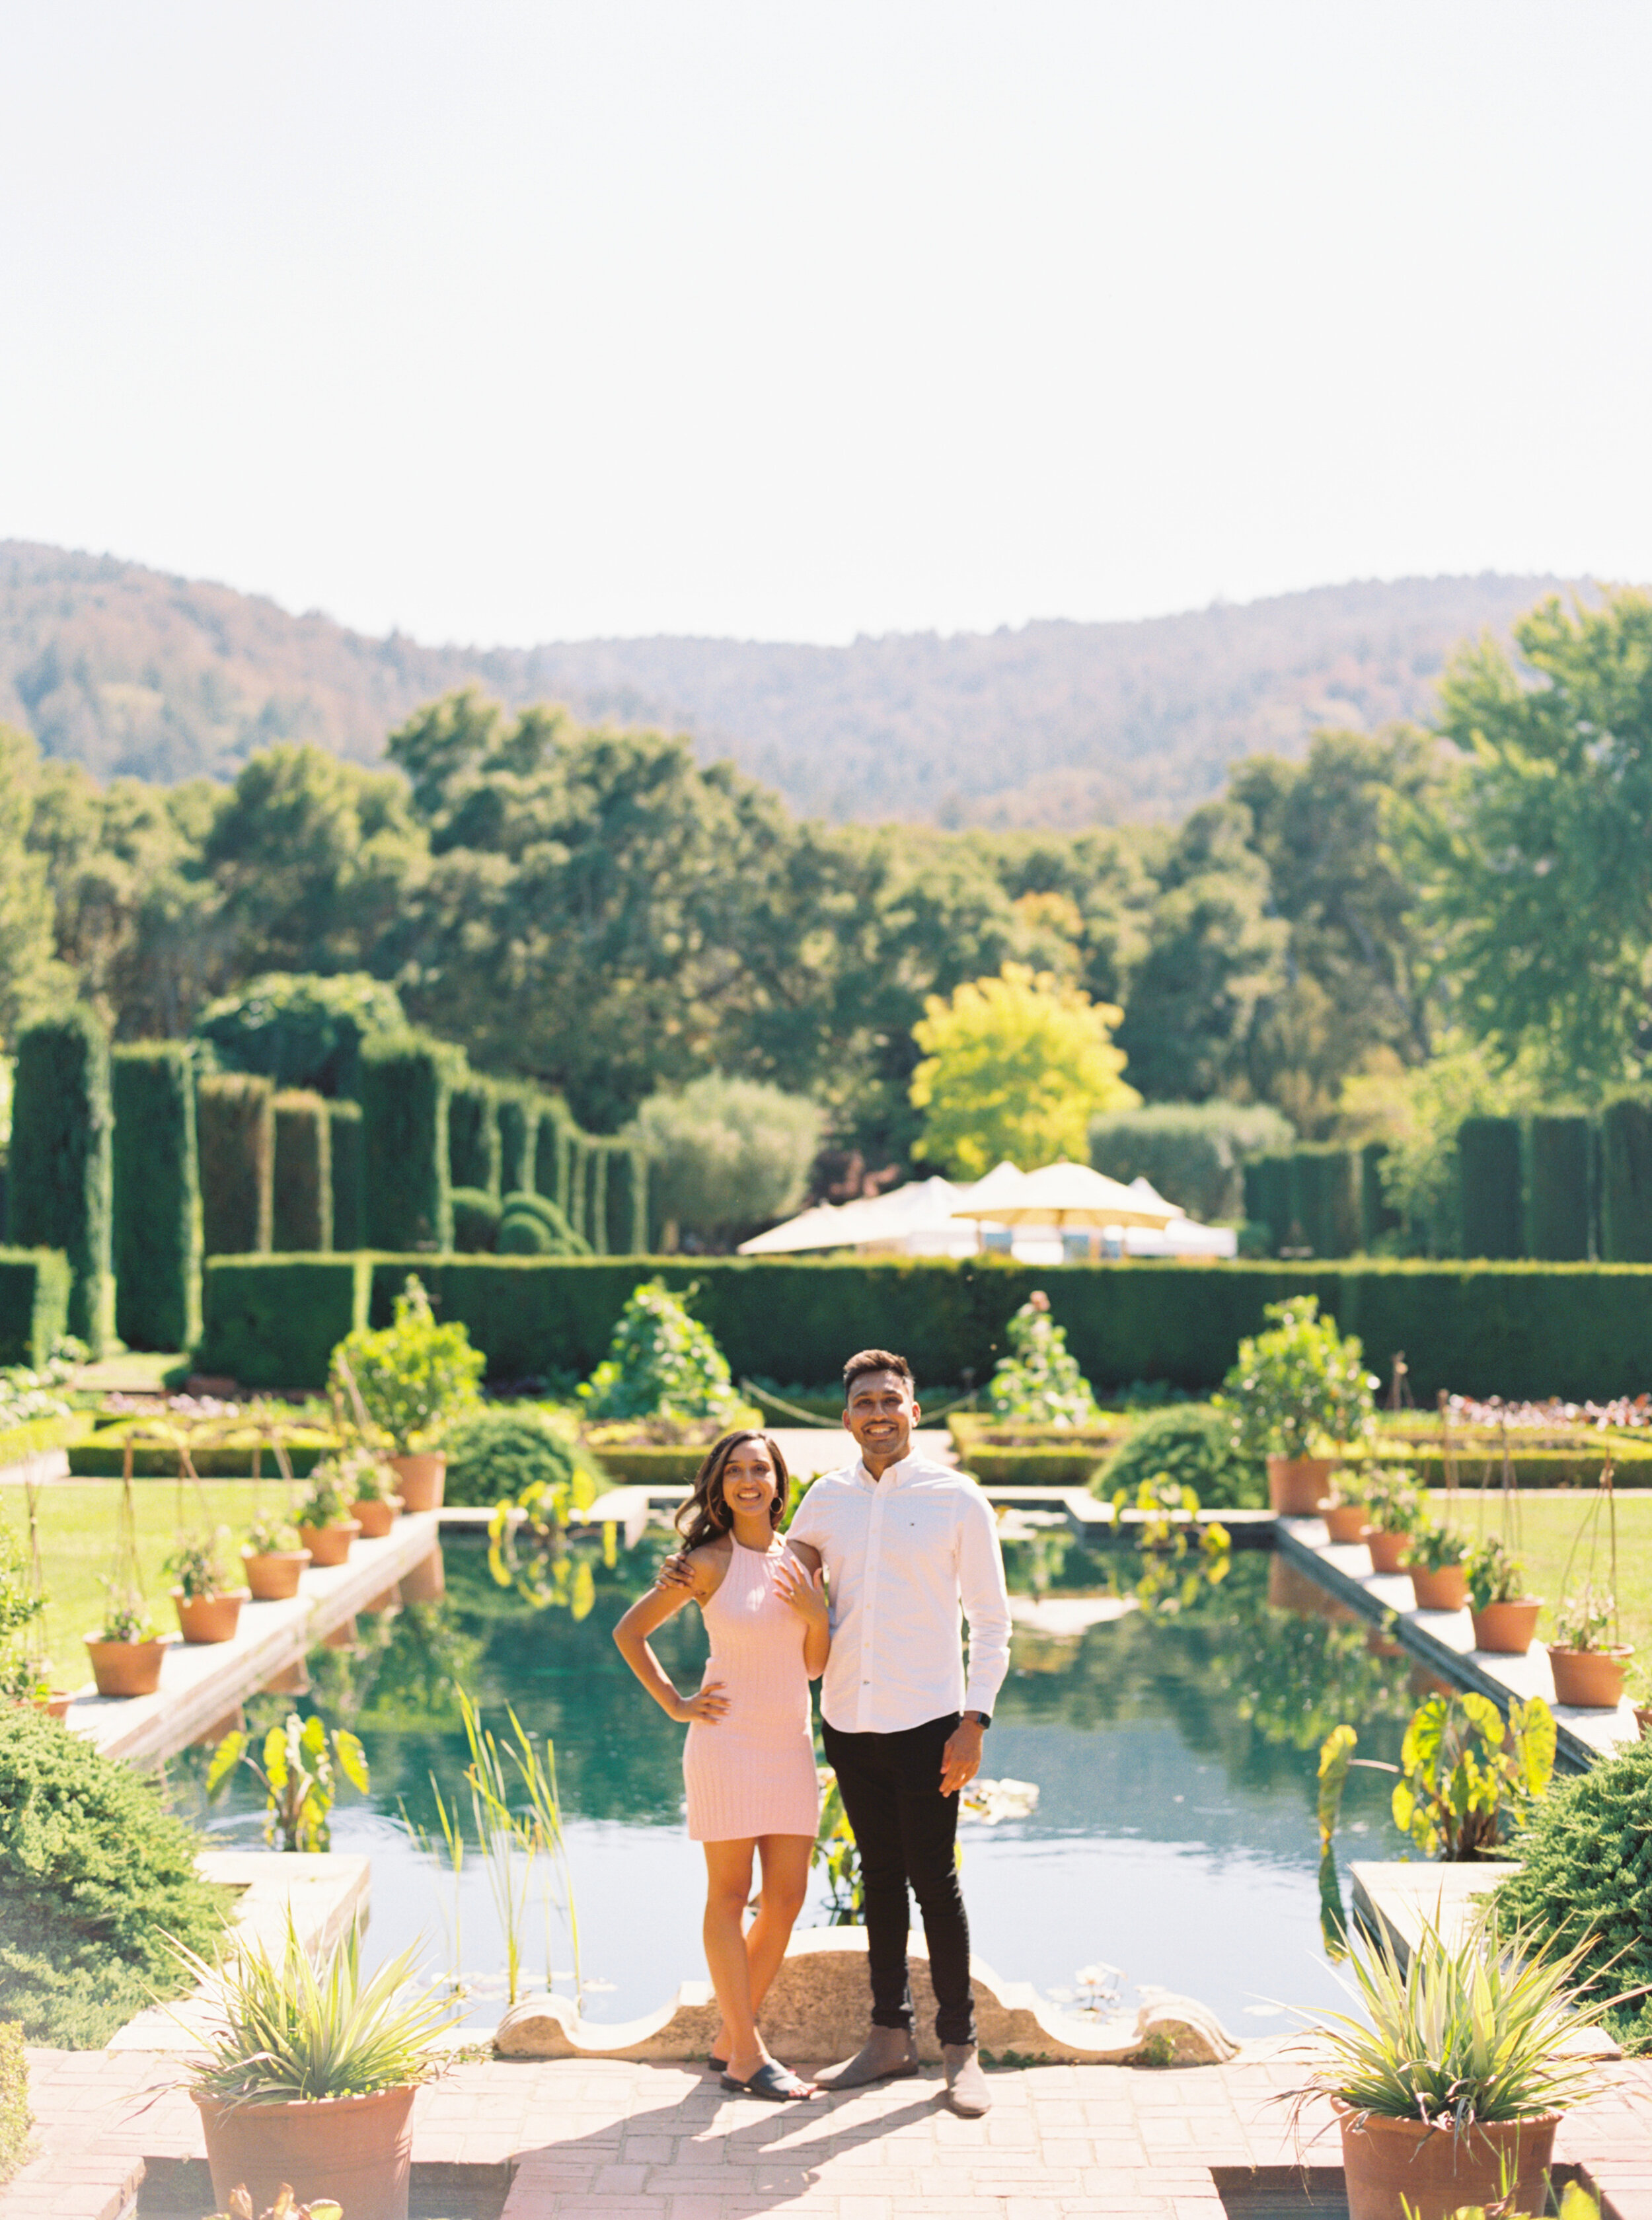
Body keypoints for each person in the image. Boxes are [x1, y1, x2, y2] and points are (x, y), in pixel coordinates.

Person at [785, 1348, 1011, 2118]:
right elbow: (777, 1578)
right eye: (863, 1403)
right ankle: (888, 2037)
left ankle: (960, 2049)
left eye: (890, 1400)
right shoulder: (822, 1499)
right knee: (878, 1881)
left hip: (928, 1724)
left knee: (934, 1886)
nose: (877, 1413)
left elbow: (991, 1621)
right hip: (848, 1721)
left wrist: (973, 1721)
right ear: (845, 1418)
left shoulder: (957, 1501)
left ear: (914, 1411)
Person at [613, 1428, 829, 2102]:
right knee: (729, 1897)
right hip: (726, 1745)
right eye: (733, 1470)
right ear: (718, 1485)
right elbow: (629, 1632)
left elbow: (815, 1665)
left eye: (759, 1469)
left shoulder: (803, 1561)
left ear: (777, 1481)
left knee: (787, 1897)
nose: (747, 1481)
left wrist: (813, 1611)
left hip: (789, 1744)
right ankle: (748, 2054)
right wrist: (677, 1704)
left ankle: (729, 2040)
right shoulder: (704, 1563)